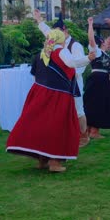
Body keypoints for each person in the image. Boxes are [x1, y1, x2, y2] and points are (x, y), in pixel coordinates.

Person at [6, 29, 95, 172]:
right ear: (60, 40)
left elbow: (35, 76)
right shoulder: (61, 51)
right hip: (58, 96)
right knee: (58, 126)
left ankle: (42, 160)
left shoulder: (42, 54)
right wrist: (88, 58)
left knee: (41, 125)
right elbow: (72, 63)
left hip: (39, 93)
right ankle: (55, 163)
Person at [33, 9, 90, 147]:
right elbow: (47, 32)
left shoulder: (75, 45)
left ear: (65, 30)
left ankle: (84, 136)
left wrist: (67, 70)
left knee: (78, 109)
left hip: (74, 81)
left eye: (58, 32)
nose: (54, 35)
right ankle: (69, 135)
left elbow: (78, 67)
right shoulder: (56, 42)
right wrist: (39, 20)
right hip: (61, 83)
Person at [84, 17, 110, 139]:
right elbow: (91, 39)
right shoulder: (97, 52)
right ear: (101, 43)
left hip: (103, 80)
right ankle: (93, 131)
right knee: (95, 104)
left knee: (99, 104)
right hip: (97, 80)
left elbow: (108, 72)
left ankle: (91, 130)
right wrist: (90, 25)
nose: (106, 43)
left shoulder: (105, 54)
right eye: (104, 41)